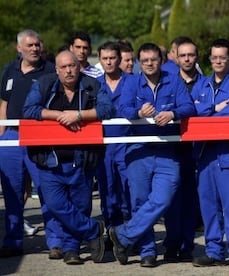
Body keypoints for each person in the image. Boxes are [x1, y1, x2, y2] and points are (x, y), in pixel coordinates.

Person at [109, 42, 196, 268]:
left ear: (162, 60)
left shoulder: (173, 80)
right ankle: (148, 251)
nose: (149, 64)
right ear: (139, 62)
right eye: (145, 60)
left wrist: (172, 113)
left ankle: (122, 235)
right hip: (138, 150)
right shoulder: (131, 83)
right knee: (139, 202)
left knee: (163, 198)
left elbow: (189, 107)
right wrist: (138, 113)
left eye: (154, 60)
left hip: (168, 151)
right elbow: (122, 109)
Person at [22, 50, 112, 264]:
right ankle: (93, 229)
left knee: (80, 207)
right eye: (63, 67)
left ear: (79, 66)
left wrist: (79, 115)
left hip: (82, 159)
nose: (69, 70)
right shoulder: (44, 85)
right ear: (57, 69)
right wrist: (58, 116)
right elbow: (29, 110)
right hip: (49, 160)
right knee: (55, 205)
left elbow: (107, 109)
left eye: (72, 66)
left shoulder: (92, 85)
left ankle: (72, 249)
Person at [191, 38, 229, 273]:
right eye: (214, 57)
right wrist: (214, 109)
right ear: (209, 59)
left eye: (222, 57)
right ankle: (214, 251)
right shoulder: (201, 85)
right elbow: (191, 113)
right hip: (205, 154)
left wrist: (205, 117)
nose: (218, 61)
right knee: (208, 206)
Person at [0, 29, 56, 258]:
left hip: (39, 135)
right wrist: (1, 138)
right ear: (19, 48)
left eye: (37, 45)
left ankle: (56, 242)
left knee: (47, 190)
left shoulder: (50, 71)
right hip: (11, 137)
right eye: (30, 45)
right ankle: (12, 241)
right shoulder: (8, 70)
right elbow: (3, 104)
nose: (35, 49)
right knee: (12, 192)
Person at [163, 37, 204, 263]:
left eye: (191, 55)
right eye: (183, 55)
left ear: (197, 57)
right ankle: (171, 244)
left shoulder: (207, 84)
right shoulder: (167, 83)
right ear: (176, 58)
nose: (187, 59)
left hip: (198, 150)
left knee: (190, 201)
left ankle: (187, 246)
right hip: (172, 149)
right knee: (171, 200)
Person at [95, 41, 131, 249]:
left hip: (128, 145)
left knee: (130, 190)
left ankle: (129, 233)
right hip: (104, 146)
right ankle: (110, 232)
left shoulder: (132, 82)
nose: (109, 62)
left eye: (112, 58)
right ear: (100, 60)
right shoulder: (94, 85)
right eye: (105, 58)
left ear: (119, 59)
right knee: (107, 190)